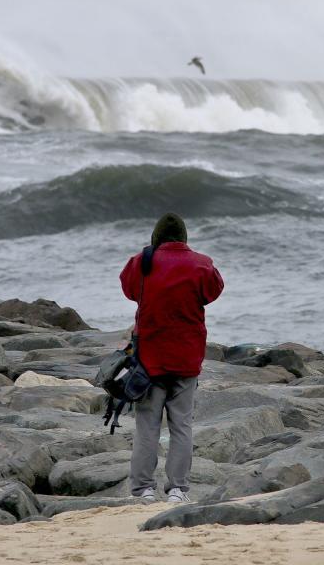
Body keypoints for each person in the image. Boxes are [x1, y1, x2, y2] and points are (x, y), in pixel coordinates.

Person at [120, 213, 224, 503]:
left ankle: (143, 490)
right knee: (182, 425)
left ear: (156, 237)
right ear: (184, 237)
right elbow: (214, 291)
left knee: (147, 426)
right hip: (186, 359)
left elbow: (129, 290)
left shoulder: (141, 262)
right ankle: (178, 490)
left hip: (149, 361)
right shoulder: (201, 264)